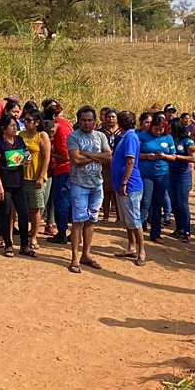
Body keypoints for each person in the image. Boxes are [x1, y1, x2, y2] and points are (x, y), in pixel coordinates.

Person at [66, 106, 112, 272]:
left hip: (97, 183)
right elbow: (76, 160)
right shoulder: (73, 137)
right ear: (79, 121)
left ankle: (86, 254)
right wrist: (96, 157)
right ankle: (74, 259)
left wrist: (86, 154)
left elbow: (109, 157)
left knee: (91, 219)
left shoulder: (100, 136)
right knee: (78, 221)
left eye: (90, 120)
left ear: (95, 121)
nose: (87, 123)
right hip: (79, 184)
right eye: (84, 120)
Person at [0, 114, 31, 258]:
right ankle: (8, 244)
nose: (15, 128)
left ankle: (25, 244)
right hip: (4, 183)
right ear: (3, 128)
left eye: (16, 125)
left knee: (24, 213)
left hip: (19, 182)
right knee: (5, 213)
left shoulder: (19, 140)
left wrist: (26, 158)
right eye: (12, 125)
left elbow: (25, 154)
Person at [111, 110, 145, 265]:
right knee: (128, 219)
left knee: (134, 218)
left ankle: (141, 251)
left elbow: (130, 161)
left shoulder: (130, 137)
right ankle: (131, 247)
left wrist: (124, 182)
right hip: (123, 184)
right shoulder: (126, 137)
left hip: (130, 185)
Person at [138, 112, 174, 242]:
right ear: (151, 126)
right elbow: (135, 154)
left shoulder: (168, 138)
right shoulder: (142, 136)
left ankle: (156, 233)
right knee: (145, 202)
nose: (159, 132)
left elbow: (173, 156)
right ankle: (139, 230)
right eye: (156, 129)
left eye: (161, 129)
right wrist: (148, 156)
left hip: (162, 174)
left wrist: (164, 156)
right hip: (146, 173)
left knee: (158, 203)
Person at [20, 109, 51, 251]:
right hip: (21, 176)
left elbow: (46, 158)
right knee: (20, 208)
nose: (25, 122)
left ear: (37, 122)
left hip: (35, 178)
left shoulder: (42, 135)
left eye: (28, 120)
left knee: (35, 208)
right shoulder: (21, 135)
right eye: (24, 120)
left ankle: (33, 235)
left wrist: (40, 177)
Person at [46, 101, 73, 245]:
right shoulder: (66, 124)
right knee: (67, 202)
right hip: (65, 169)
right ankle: (73, 232)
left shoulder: (61, 129)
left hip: (64, 169)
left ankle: (62, 232)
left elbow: (67, 156)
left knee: (61, 202)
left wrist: (50, 154)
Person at [169, 120, 195, 243]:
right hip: (170, 174)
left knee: (183, 203)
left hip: (183, 175)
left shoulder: (188, 141)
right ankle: (178, 228)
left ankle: (187, 231)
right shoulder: (169, 139)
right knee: (174, 203)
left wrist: (177, 157)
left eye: (171, 128)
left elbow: (193, 158)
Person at [99, 108, 120, 222]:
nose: (111, 119)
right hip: (105, 164)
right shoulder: (100, 132)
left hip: (118, 164)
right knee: (106, 191)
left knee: (117, 191)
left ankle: (119, 216)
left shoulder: (121, 132)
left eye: (113, 117)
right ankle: (105, 216)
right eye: (109, 117)